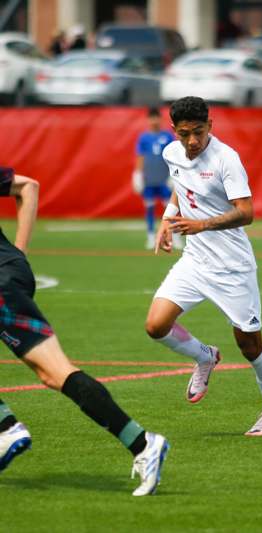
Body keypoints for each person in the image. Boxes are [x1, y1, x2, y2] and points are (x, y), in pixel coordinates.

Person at [0, 167, 169, 495]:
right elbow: (29, 186)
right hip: (11, 275)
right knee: (55, 374)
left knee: (56, 372)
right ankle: (143, 444)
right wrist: (18, 256)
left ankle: (6, 428)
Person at [145, 96, 262, 436]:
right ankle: (205, 356)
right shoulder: (171, 153)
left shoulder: (226, 159)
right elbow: (181, 188)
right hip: (195, 261)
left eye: (198, 132)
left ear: (211, 125)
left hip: (232, 267)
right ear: (174, 131)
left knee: (250, 346)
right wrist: (168, 219)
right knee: (156, 325)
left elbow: (247, 212)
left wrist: (202, 224)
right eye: (184, 134)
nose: (192, 141)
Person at [133, 107, 180, 250]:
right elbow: (140, 156)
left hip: (164, 178)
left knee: (171, 207)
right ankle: (151, 237)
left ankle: (175, 237)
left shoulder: (167, 136)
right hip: (149, 179)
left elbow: (175, 156)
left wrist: (174, 175)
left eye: (156, 117)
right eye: (151, 117)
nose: (154, 120)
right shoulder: (144, 138)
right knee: (149, 208)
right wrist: (137, 174)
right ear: (148, 120)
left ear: (160, 118)